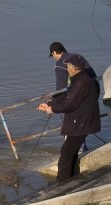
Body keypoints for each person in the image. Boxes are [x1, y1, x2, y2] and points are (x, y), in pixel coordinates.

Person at [37, 53, 102, 182]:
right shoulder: (82, 79)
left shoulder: (80, 84)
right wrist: (50, 103)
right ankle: (70, 179)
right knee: (70, 151)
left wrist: (51, 108)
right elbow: (68, 98)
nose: (66, 69)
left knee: (66, 152)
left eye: (68, 67)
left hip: (81, 123)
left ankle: (62, 183)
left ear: (74, 68)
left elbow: (68, 104)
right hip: (82, 121)